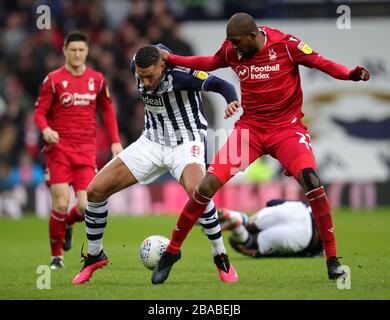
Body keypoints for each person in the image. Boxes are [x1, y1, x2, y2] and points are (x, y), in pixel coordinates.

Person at [152, 12, 370, 284]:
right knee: (205, 188)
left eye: (236, 41)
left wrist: (350, 75)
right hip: (250, 131)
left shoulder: (286, 46)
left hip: (286, 130)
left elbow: (321, 63)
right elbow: (208, 62)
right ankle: (172, 252)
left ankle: (333, 260)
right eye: (230, 42)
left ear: (253, 37)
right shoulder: (233, 50)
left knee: (314, 185)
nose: (232, 47)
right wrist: (170, 59)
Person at [72, 44, 240, 285]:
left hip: (186, 143)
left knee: (198, 192)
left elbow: (222, 85)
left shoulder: (182, 74)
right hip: (151, 142)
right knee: (95, 191)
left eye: (150, 76)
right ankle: (95, 254)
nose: (146, 82)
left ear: (163, 64)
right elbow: (148, 54)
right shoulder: (138, 66)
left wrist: (231, 101)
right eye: (141, 77)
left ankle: (220, 255)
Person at [34, 31, 123, 269]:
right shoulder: (52, 79)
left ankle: (69, 224)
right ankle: (56, 258)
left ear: (87, 51)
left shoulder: (97, 79)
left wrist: (115, 140)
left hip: (86, 151)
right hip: (59, 150)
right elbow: (39, 112)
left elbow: (108, 110)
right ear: (64, 50)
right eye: (72, 49)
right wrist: (45, 130)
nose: (77, 54)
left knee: (85, 208)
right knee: (61, 204)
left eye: (81, 50)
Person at [218, 199, 324, 258]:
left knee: (250, 224)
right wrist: (246, 251)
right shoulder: (318, 251)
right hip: (305, 237)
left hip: (299, 210)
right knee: (251, 242)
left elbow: (272, 202)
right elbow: (282, 254)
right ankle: (237, 227)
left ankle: (234, 216)